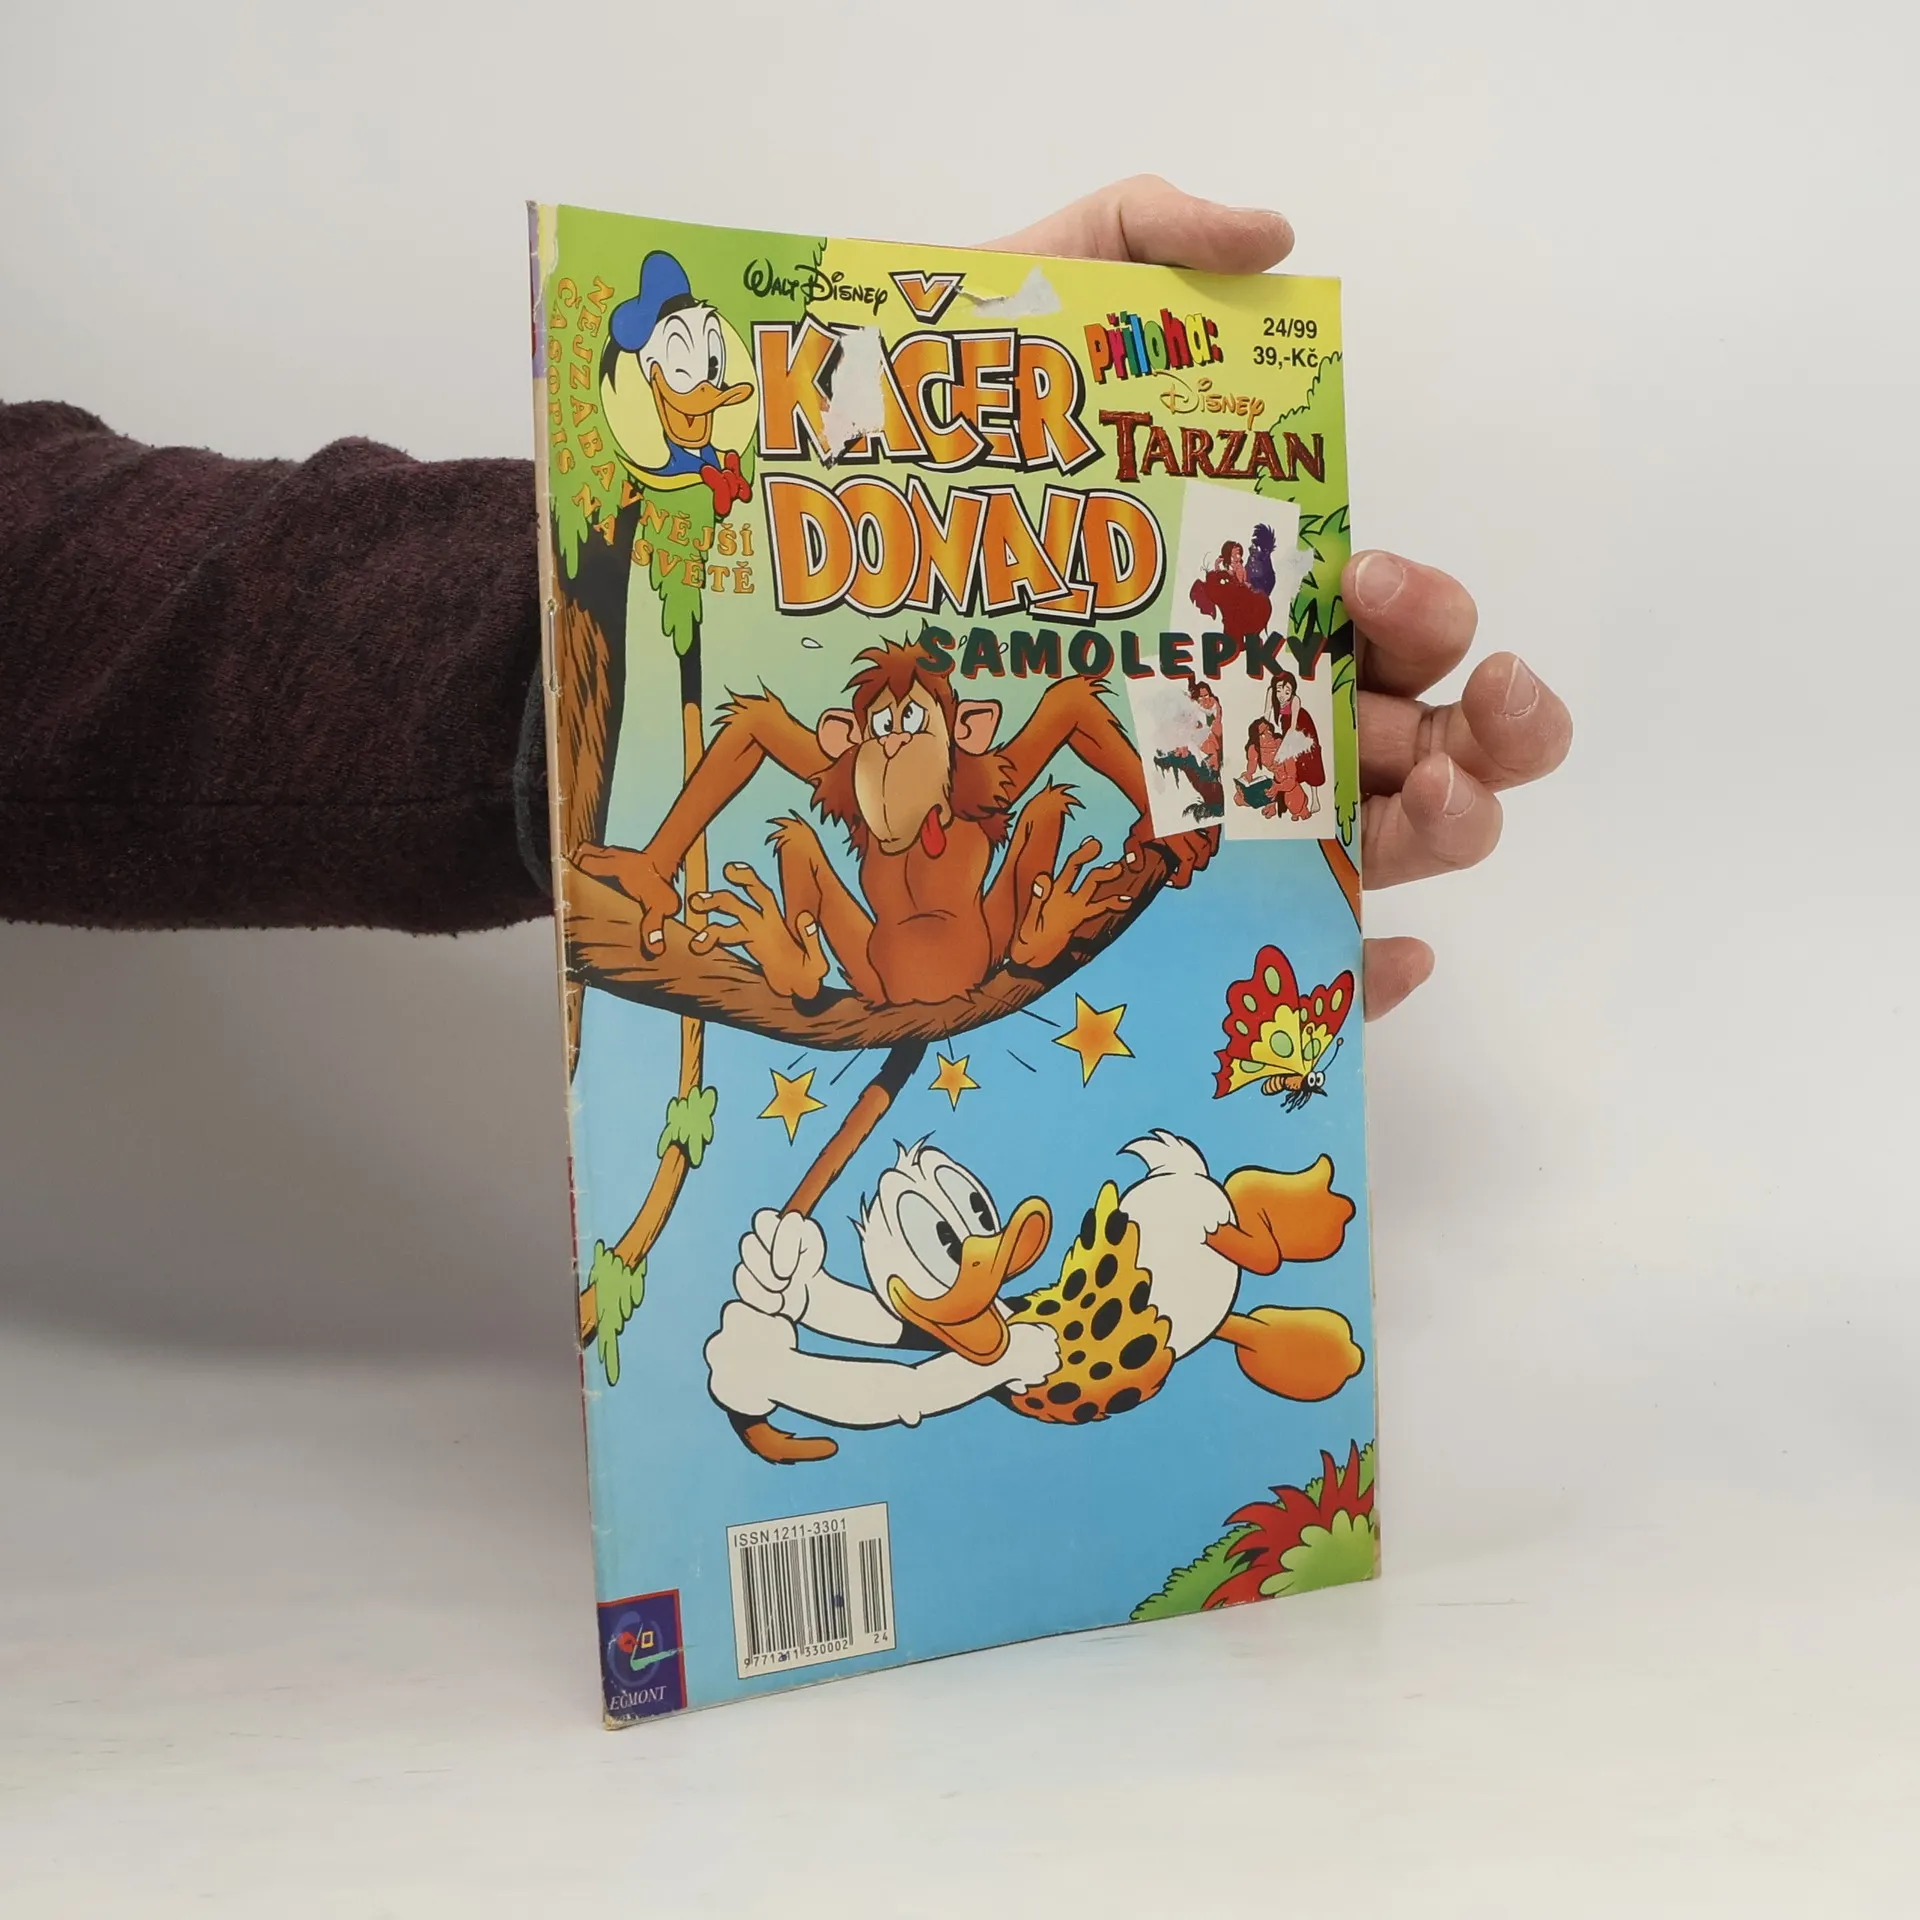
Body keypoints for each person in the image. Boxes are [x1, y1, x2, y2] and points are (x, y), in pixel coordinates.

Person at [0, 177, 1572, 1018]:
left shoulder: (980, 783)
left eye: (916, 725)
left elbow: (1066, 709)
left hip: (1003, 923)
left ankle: (1186, 825)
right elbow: (761, 733)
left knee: (1097, 724)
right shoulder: (851, 792)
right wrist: (651, 834)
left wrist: (900, 397)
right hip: (867, 965)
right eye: (888, 728)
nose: (897, 742)